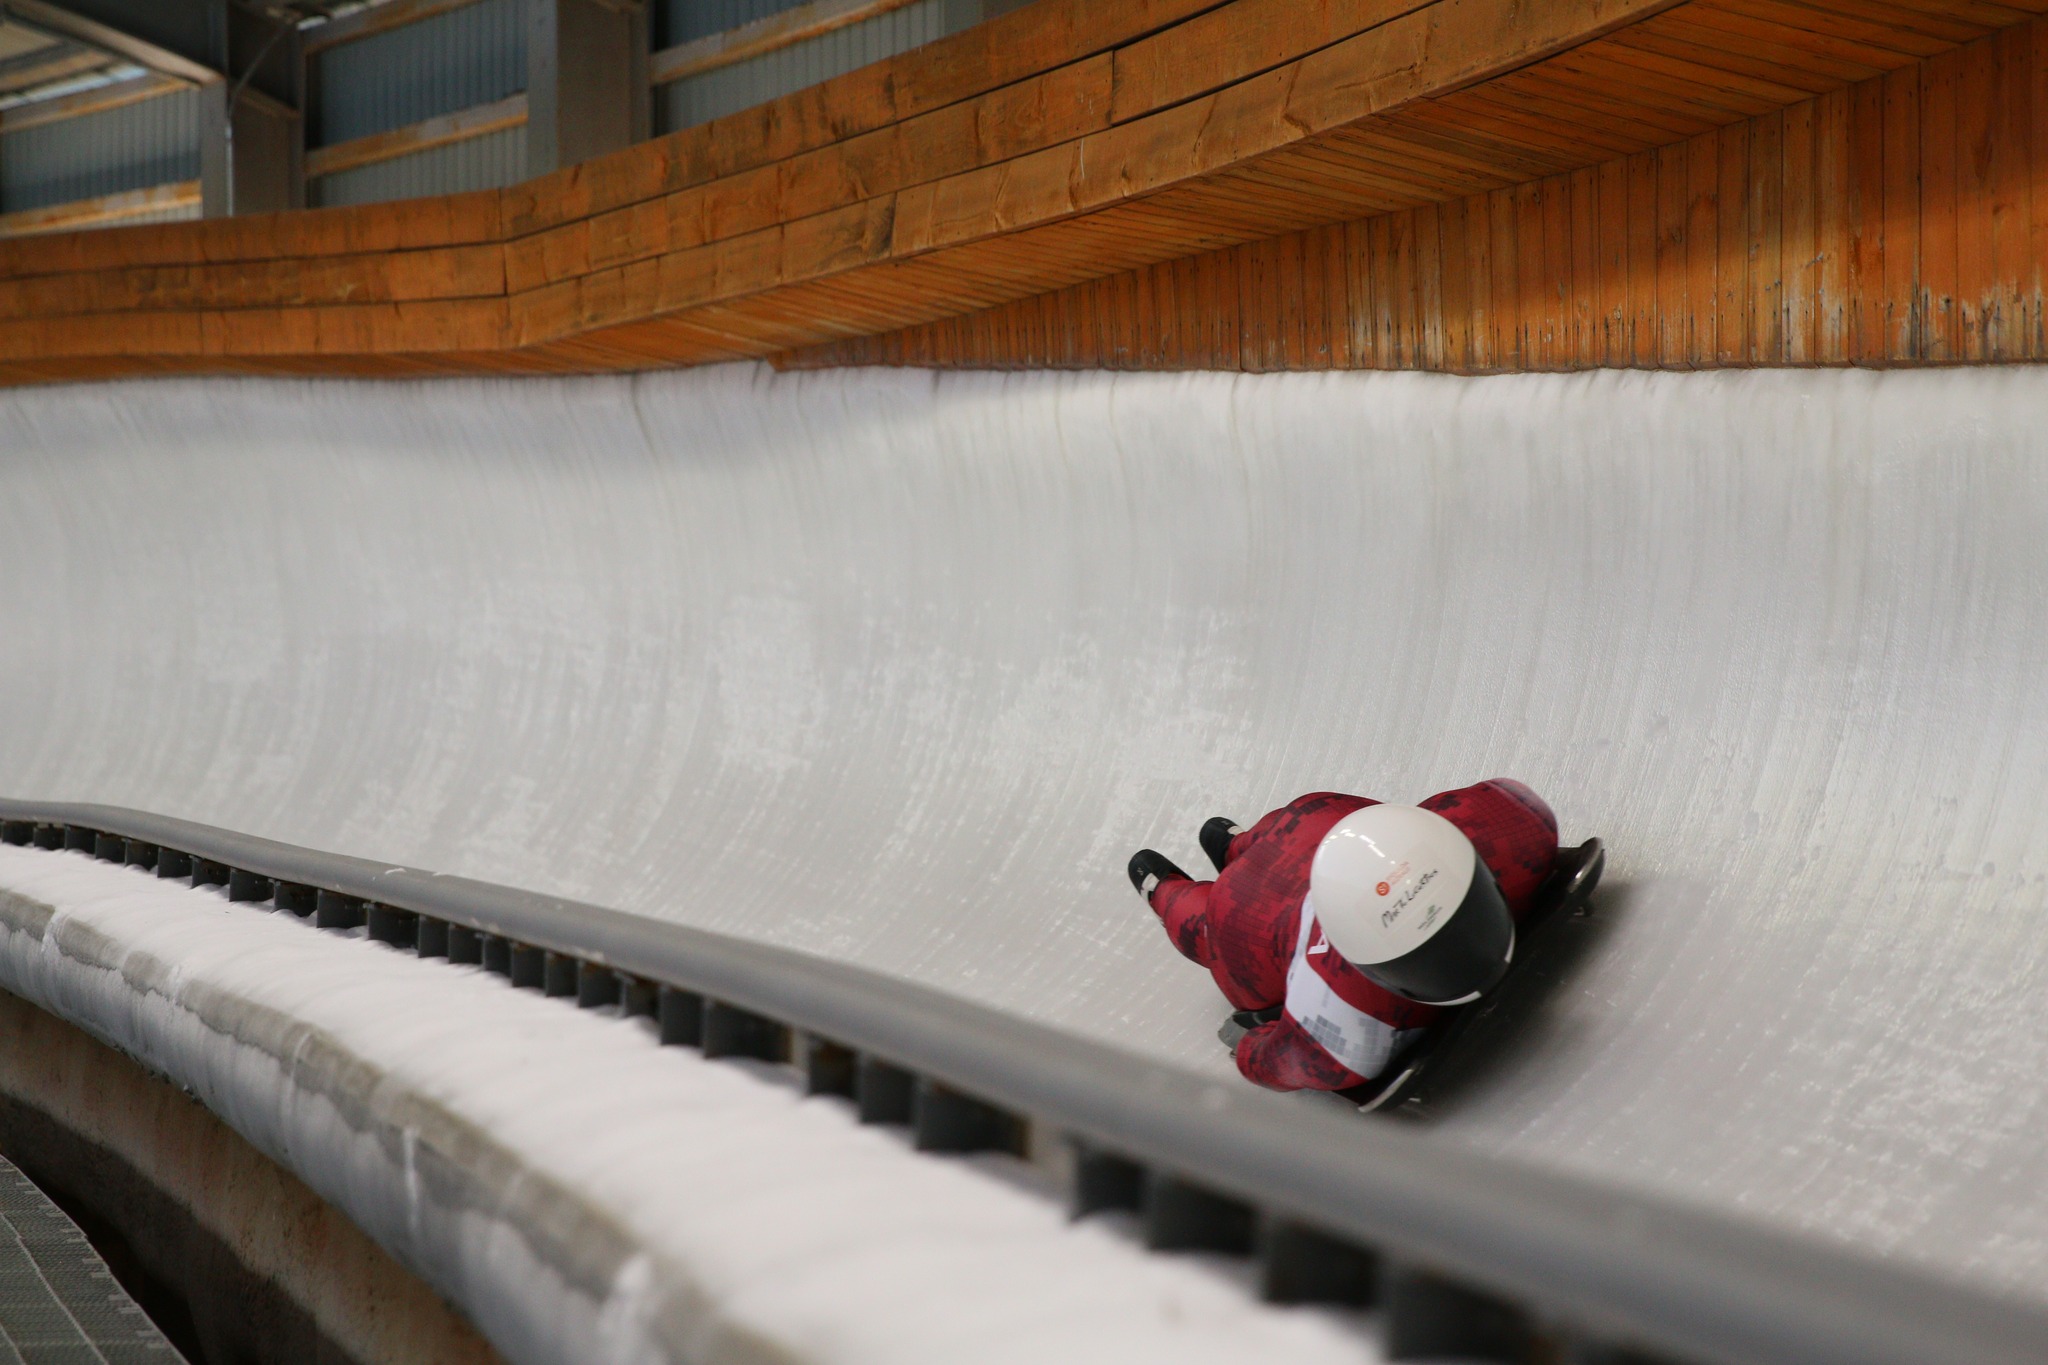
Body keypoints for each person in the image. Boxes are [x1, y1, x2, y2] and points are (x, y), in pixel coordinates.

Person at [1127, 781, 1566, 1095]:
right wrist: (1252, 1046)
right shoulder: (1520, 829)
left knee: (1280, 835)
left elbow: (1265, 1061)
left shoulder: (1517, 825)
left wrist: (1251, 1045)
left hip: (1312, 826)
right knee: (1208, 927)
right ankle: (1170, 889)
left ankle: (1235, 847)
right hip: (1254, 903)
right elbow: (1270, 1061)